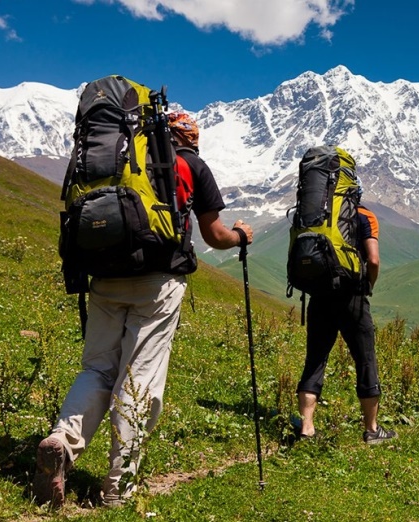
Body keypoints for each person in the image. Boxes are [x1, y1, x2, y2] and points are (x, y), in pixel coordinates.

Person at [33, 111, 254, 508]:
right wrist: (240, 235)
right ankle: (119, 487)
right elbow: (215, 234)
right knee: (139, 379)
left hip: (104, 278)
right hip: (157, 282)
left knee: (97, 368)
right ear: (191, 138)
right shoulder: (189, 164)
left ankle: (61, 442)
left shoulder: (117, 161)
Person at [295, 158, 396, 445]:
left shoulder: (314, 217)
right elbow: (373, 259)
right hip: (352, 296)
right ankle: (372, 429)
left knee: (315, 360)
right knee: (365, 360)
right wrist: (368, 286)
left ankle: (307, 428)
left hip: (319, 295)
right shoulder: (365, 216)